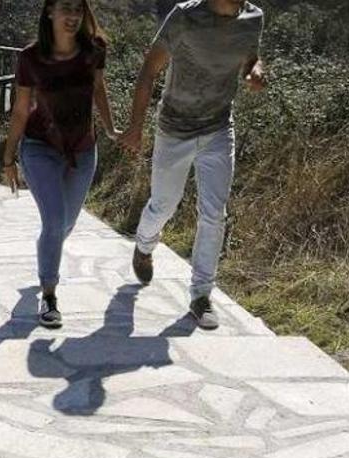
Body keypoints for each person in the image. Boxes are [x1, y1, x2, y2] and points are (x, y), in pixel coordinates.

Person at [118, 0, 266, 330]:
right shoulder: (185, 15)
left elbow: (249, 56)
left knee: (214, 212)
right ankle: (144, 247)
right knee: (163, 206)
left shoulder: (254, 17)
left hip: (217, 127)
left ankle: (201, 295)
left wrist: (255, 70)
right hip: (175, 129)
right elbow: (149, 70)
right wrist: (136, 126)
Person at [1, 0, 119, 329]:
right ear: (50, 12)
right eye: (65, 9)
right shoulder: (30, 58)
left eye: (78, 11)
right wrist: (9, 156)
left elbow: (99, 89)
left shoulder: (94, 50)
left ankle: (46, 256)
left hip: (83, 149)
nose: (72, 17)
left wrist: (110, 128)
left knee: (64, 225)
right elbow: (22, 110)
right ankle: (49, 294)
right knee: (54, 222)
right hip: (40, 147)